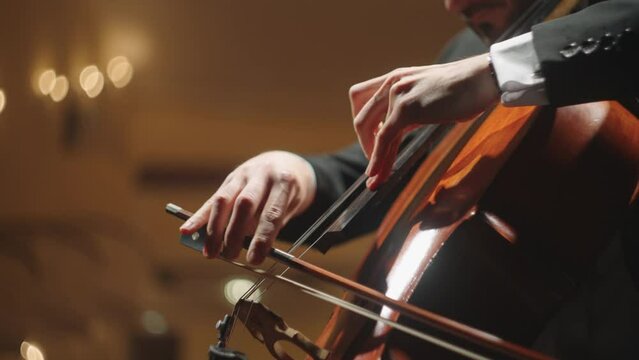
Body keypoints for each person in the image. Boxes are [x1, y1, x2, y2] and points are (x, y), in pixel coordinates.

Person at [180, 0, 639, 357]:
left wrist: (502, 71)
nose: (454, 5)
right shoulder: (467, 50)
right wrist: (301, 174)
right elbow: (387, 173)